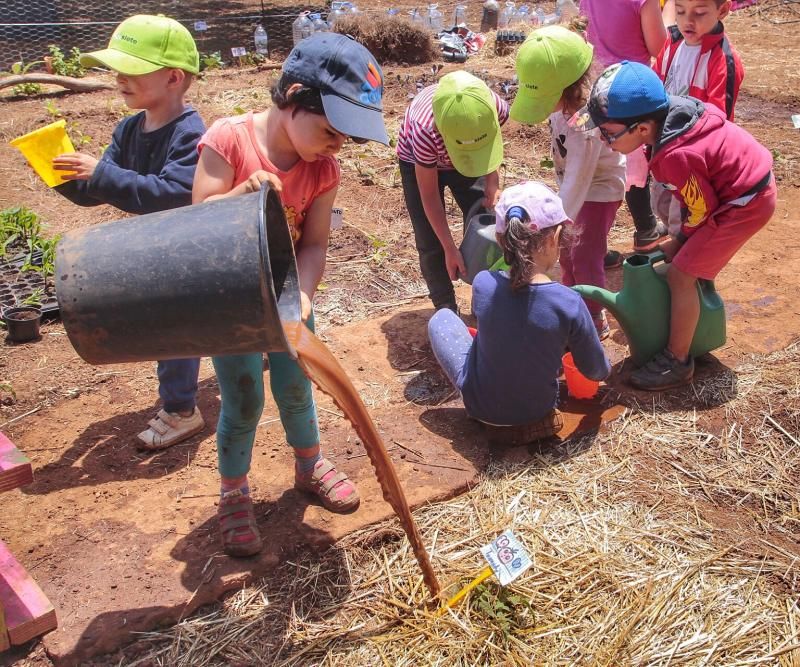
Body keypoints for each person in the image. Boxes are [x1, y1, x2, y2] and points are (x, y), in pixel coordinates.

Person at [191, 33, 388, 557]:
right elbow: (195, 223)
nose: (337, 145)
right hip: (228, 303)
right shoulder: (228, 140)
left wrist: (302, 293)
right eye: (329, 131)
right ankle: (234, 493)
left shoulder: (324, 169)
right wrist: (241, 194)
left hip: (285, 298)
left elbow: (315, 242)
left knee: (298, 386)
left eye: (346, 138)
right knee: (243, 399)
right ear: (295, 97)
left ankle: (309, 464)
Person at [52, 15, 207, 450]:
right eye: (115, 68)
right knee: (173, 326)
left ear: (173, 77)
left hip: (187, 249)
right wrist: (60, 173)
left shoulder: (190, 133)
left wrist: (101, 174)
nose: (118, 79)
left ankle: (181, 410)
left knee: (174, 328)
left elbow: (172, 195)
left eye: (130, 70)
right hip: (150, 249)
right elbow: (97, 192)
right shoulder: (128, 130)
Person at [574, 61, 775, 390]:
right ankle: (696, 330)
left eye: (609, 133)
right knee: (683, 260)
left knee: (682, 274)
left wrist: (681, 241)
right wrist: (682, 241)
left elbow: (701, 209)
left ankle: (677, 361)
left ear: (641, 129)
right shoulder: (675, 114)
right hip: (742, 190)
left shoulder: (675, 155)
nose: (604, 140)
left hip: (744, 203)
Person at [427, 181, 611, 446]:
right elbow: (596, 370)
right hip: (537, 410)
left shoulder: (484, 284)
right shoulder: (568, 303)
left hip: (480, 406)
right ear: (556, 238)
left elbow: (510, 317)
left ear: (501, 239)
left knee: (442, 319)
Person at [510, 26, 625, 339]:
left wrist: (553, 220)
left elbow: (579, 178)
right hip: (575, 190)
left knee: (586, 257)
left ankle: (591, 319)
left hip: (598, 191)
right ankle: (569, 308)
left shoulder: (585, 126)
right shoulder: (562, 106)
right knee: (568, 254)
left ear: (566, 89)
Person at [397, 71, 508, 314]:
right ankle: (445, 305)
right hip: (418, 160)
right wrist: (449, 247)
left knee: (489, 221)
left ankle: (488, 297)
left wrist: (493, 179)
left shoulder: (493, 107)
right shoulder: (424, 130)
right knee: (429, 239)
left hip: (470, 154)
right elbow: (429, 197)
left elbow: (492, 145)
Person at [578, 0, 669, 265]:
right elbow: (659, 47)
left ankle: (593, 243)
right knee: (633, 169)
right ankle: (646, 230)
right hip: (629, 95)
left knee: (600, 171)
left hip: (596, 89)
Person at [655, 0, 745, 233]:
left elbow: (717, 118)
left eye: (700, 13)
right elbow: (655, 85)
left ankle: (683, 251)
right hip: (663, 147)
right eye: (681, 11)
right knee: (660, 202)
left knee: (685, 209)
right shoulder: (671, 43)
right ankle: (672, 231)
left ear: (722, 10)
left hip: (692, 156)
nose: (687, 21)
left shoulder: (723, 59)